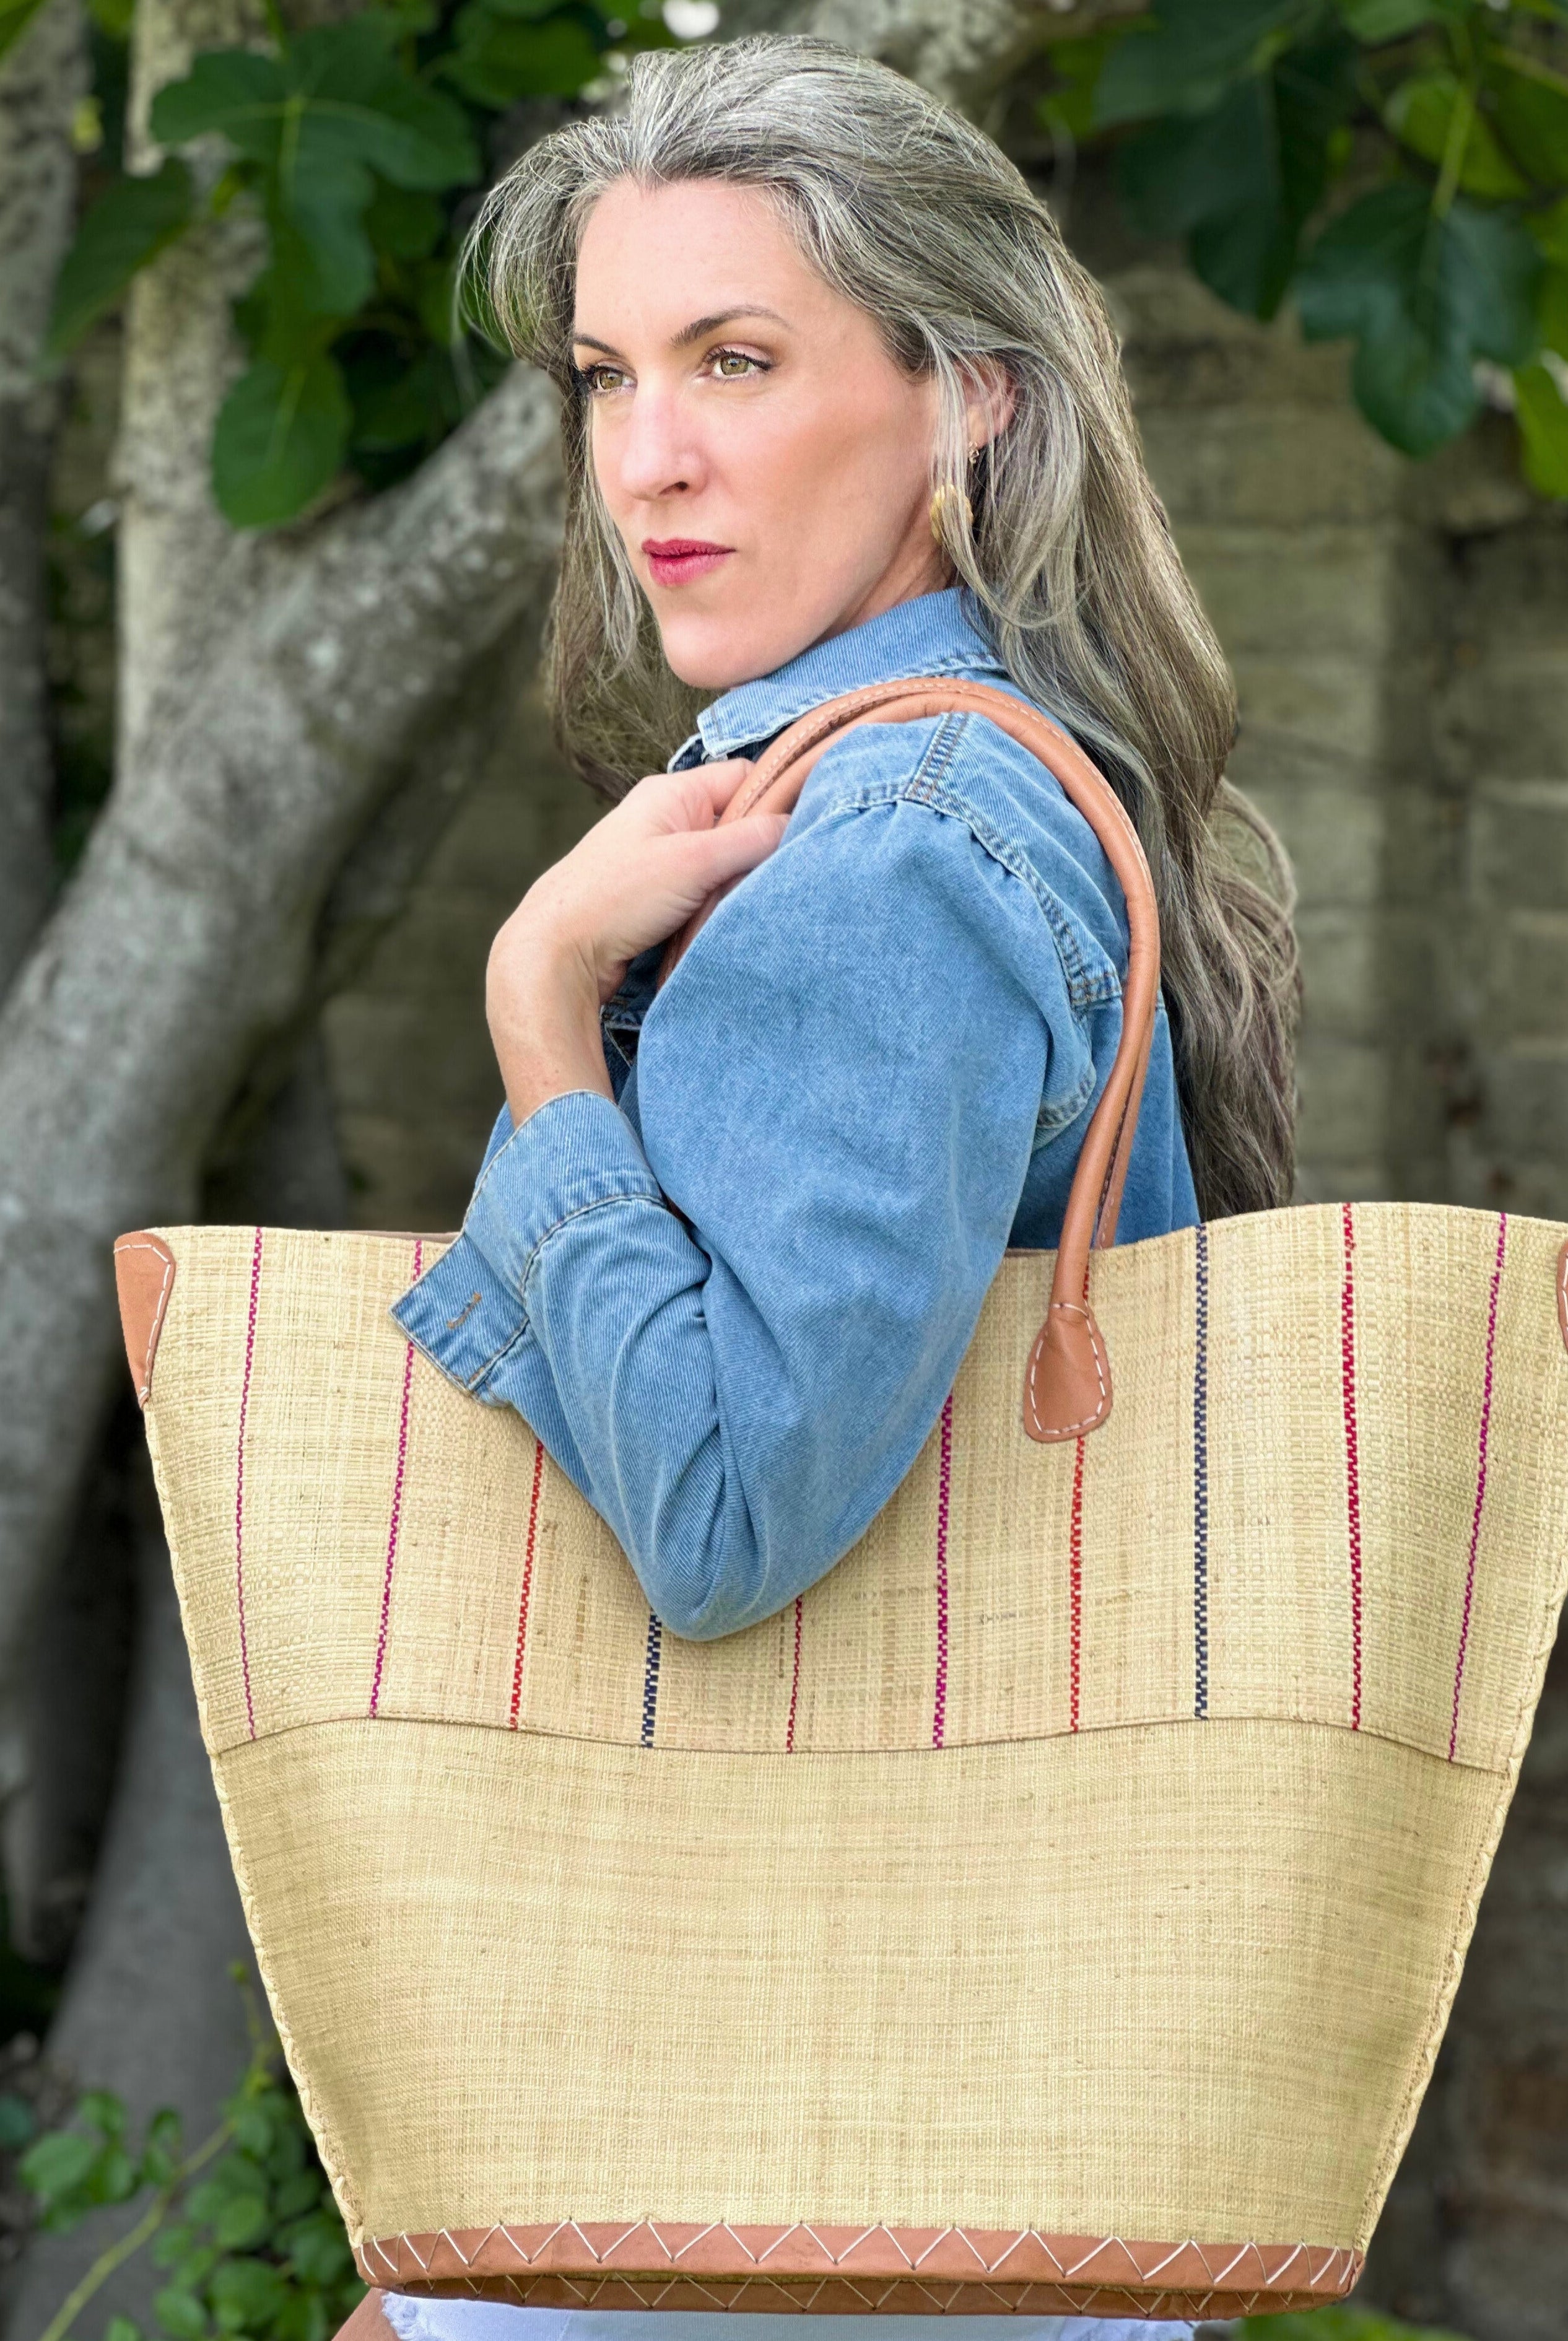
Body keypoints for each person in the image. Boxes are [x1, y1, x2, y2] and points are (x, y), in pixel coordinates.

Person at [381, 30, 1297, 2341]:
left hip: (779, 2147)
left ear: (966, 395)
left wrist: (532, 1010)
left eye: (739, 359)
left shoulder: (881, 859)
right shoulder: (952, 788)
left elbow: (714, 1528)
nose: (646, 455)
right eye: (608, 374)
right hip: (934, 2111)